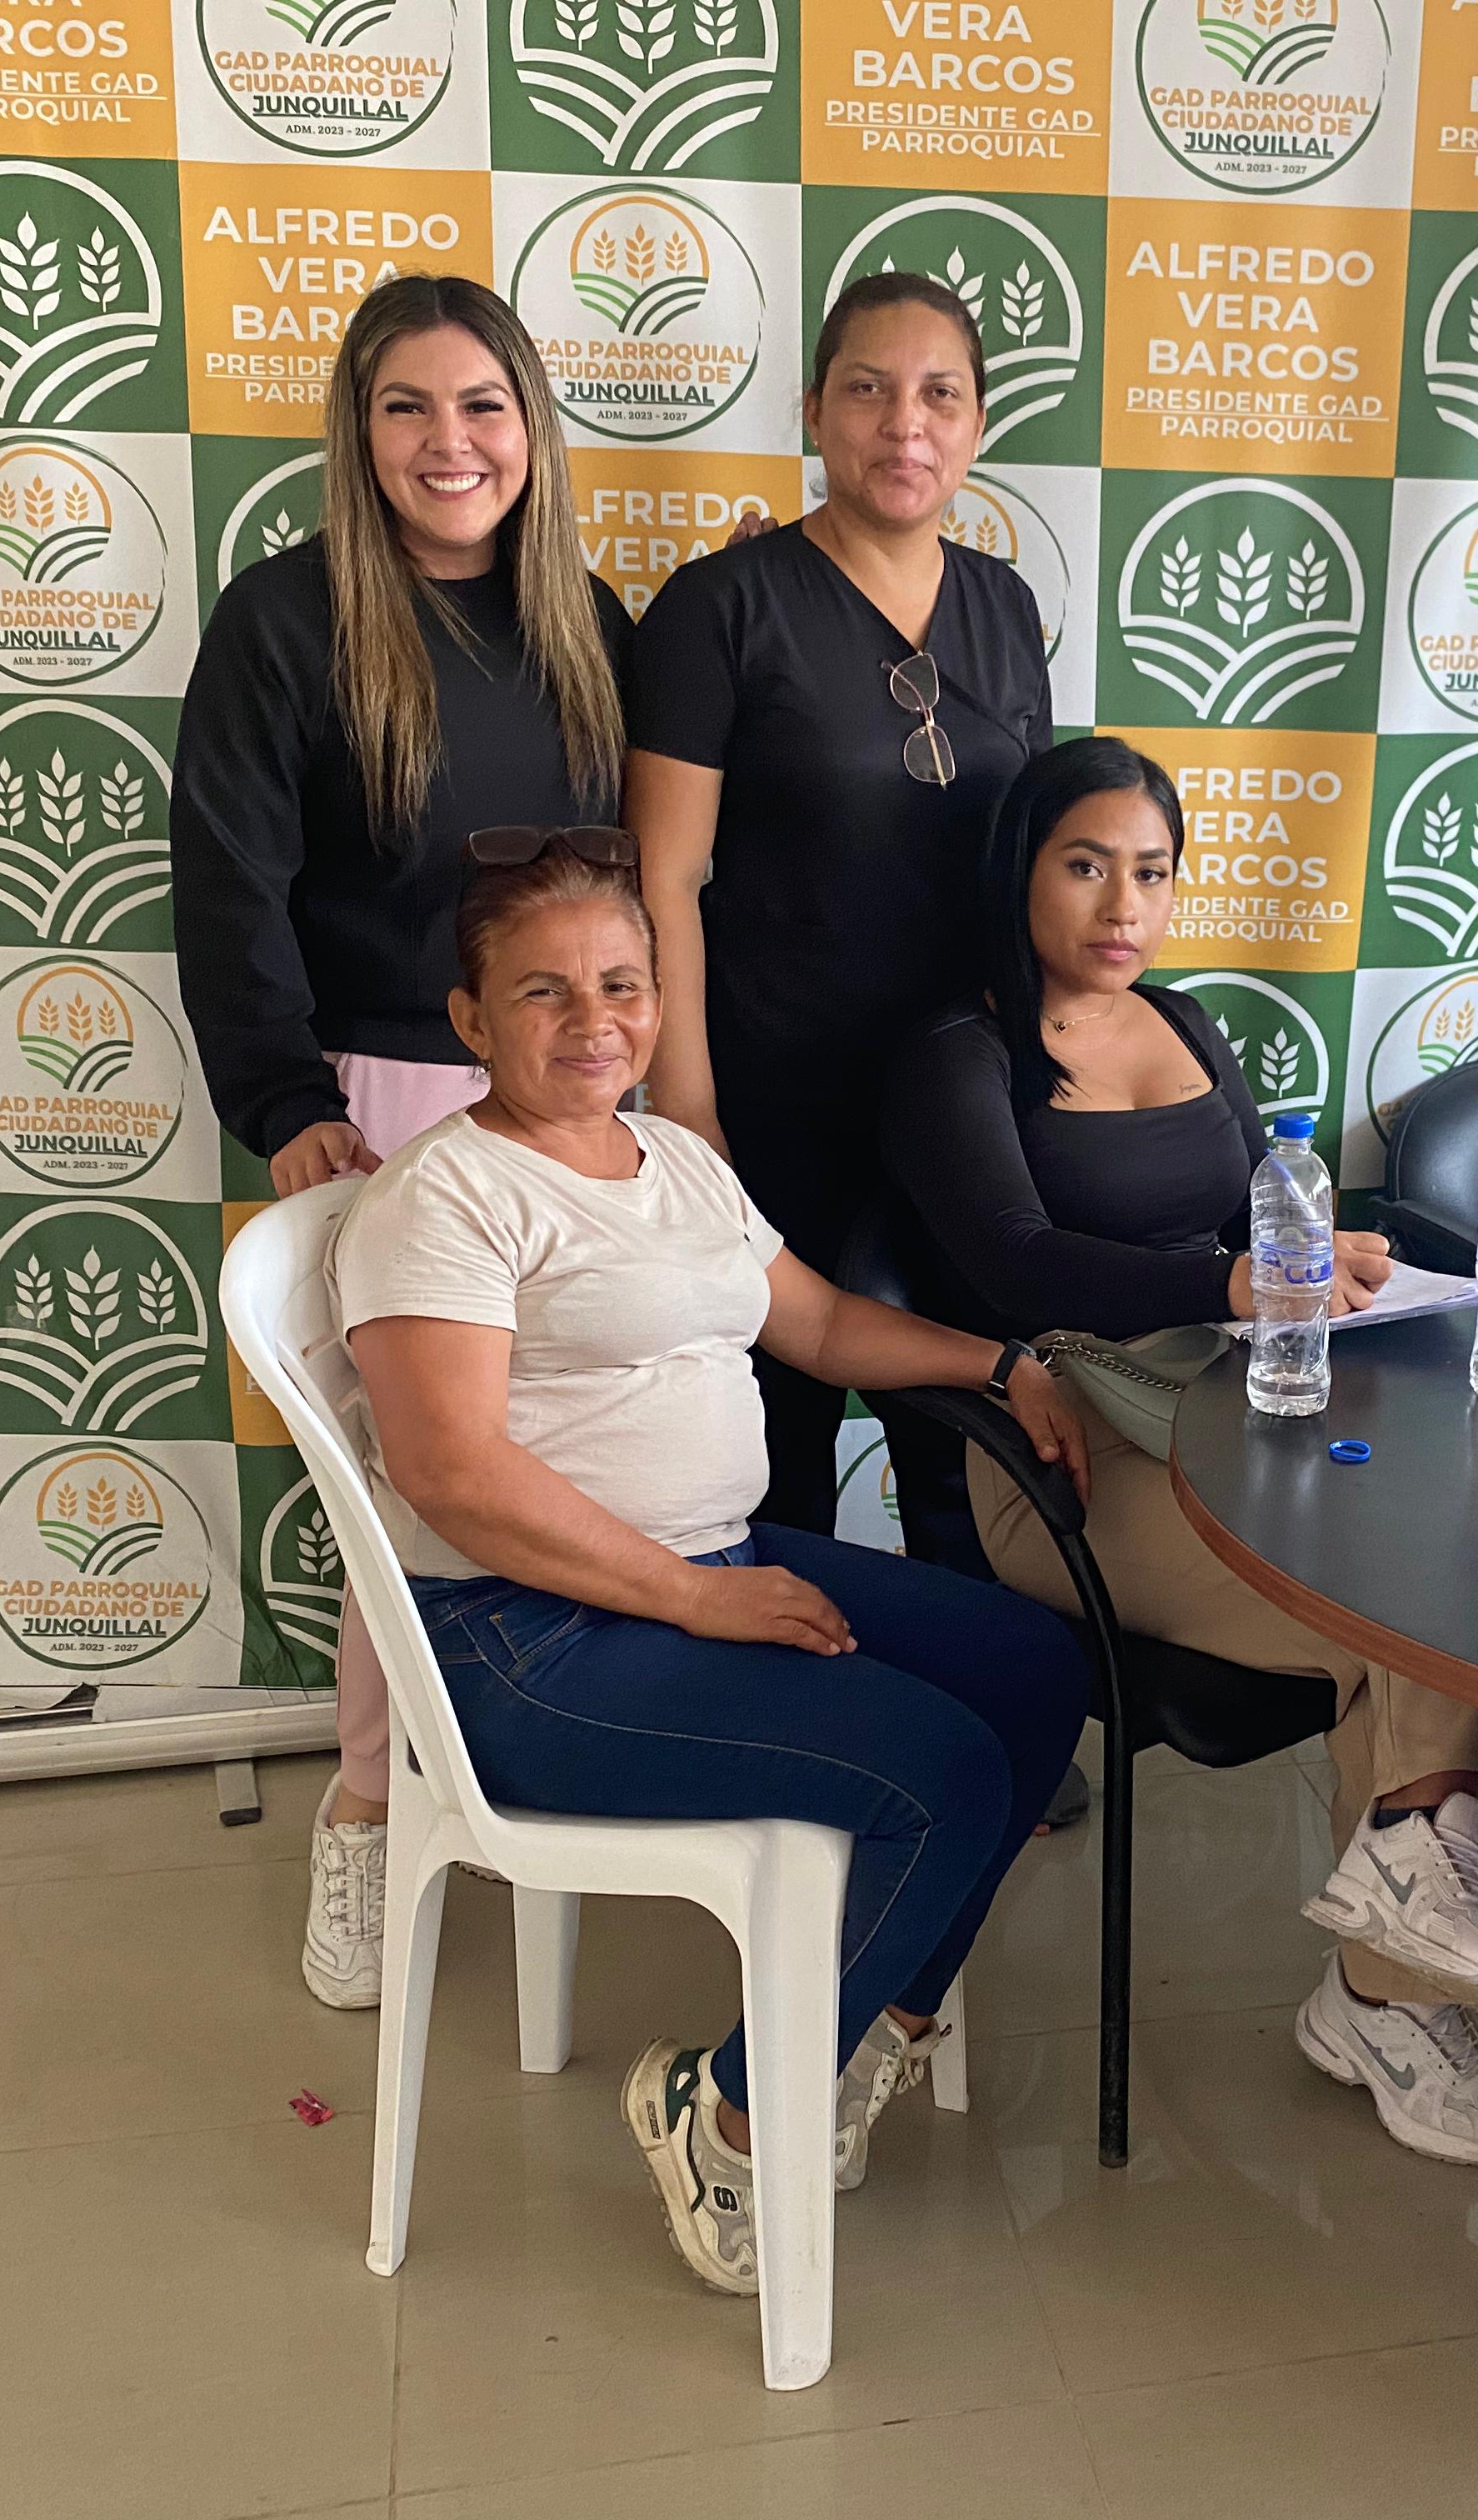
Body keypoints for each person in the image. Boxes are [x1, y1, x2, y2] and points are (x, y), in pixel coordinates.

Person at [332, 830, 1092, 2294]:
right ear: (471, 1019)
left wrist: (1000, 1362)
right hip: (524, 1640)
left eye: (622, 983)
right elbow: (450, 1473)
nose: (594, 1020)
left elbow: (818, 1324)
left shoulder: (673, 1157)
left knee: (1031, 1669)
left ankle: (866, 2028)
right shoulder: (446, 1197)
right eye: (544, 991)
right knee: (937, 1774)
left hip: (710, 1561)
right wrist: (694, 1597)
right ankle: (728, 2110)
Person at [876, 739, 1478, 2168]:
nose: (1122, 904)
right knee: (1395, 1622)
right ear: (1019, 871)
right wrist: (1231, 1279)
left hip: (1240, 1404)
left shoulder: (1185, 1021)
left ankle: (1396, 1948)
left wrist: (1325, 1257)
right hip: (1061, 1452)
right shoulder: (959, 1054)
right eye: (1085, 865)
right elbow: (1012, 1260)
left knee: (1448, 1580)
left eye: (1151, 871)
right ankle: (1394, 1988)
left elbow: (1265, 1211)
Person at [170, 273, 635, 2014]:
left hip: (575, 1097)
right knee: (413, 1491)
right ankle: (368, 1809)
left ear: (532, 428)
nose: (452, 444)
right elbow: (228, 883)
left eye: (484, 405)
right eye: (409, 408)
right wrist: (289, 1103)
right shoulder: (285, 623)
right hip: (383, 1111)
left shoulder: (587, 619)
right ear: (358, 435)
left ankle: (552, 1767)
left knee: (577, 1461)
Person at [623, 271, 1052, 1547]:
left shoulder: (1005, 605)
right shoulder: (721, 606)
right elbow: (663, 877)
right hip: (775, 1097)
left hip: (964, 1104)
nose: (904, 424)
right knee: (775, 1445)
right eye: (868, 389)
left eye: (940, 395)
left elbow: (1031, 862)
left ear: (978, 424)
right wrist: (689, 1113)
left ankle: (972, 1677)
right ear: (814, 410)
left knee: (968, 1450)